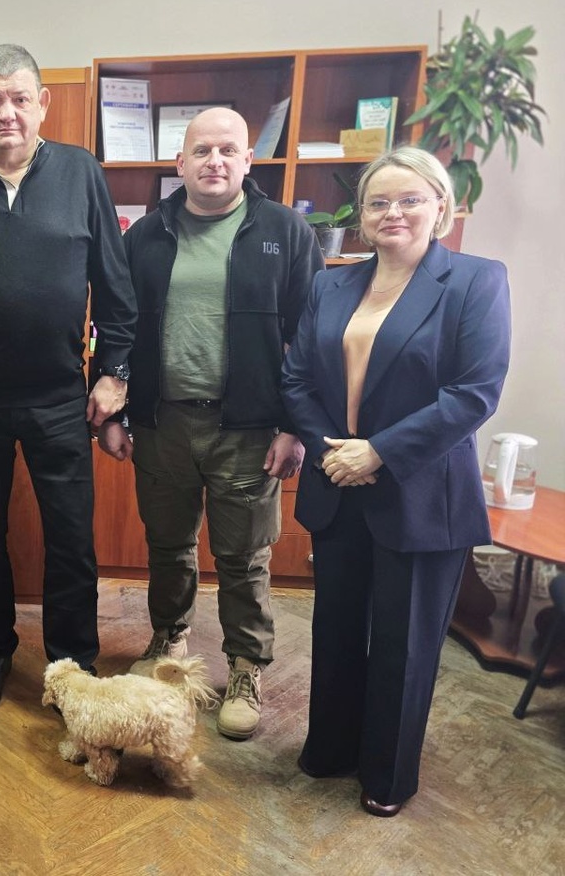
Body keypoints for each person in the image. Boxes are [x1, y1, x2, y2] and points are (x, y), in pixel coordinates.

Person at [281, 146, 510, 816]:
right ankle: (331, 750)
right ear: (361, 215)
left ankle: (387, 776)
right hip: (338, 483)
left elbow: (473, 394)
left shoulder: (475, 281)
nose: (394, 213)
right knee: (337, 630)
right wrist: (334, 452)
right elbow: (296, 379)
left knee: (404, 646)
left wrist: (377, 452)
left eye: (411, 199)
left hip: (421, 492)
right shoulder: (332, 284)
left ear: (440, 207)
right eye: (378, 202)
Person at [0, 44, 136, 716]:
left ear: (43, 105)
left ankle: (74, 664)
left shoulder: (80, 172)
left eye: (18, 98)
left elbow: (115, 285)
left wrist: (114, 372)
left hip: (58, 395)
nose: (5, 112)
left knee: (71, 536)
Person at [97, 107, 321, 740]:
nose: (214, 161)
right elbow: (117, 326)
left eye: (228, 150)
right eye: (201, 151)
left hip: (248, 428)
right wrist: (112, 413)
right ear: (181, 163)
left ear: (249, 160)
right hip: (163, 422)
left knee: (243, 556)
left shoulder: (284, 230)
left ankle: (246, 667)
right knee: (167, 545)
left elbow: (311, 336)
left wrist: (295, 424)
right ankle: (168, 640)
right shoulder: (146, 234)